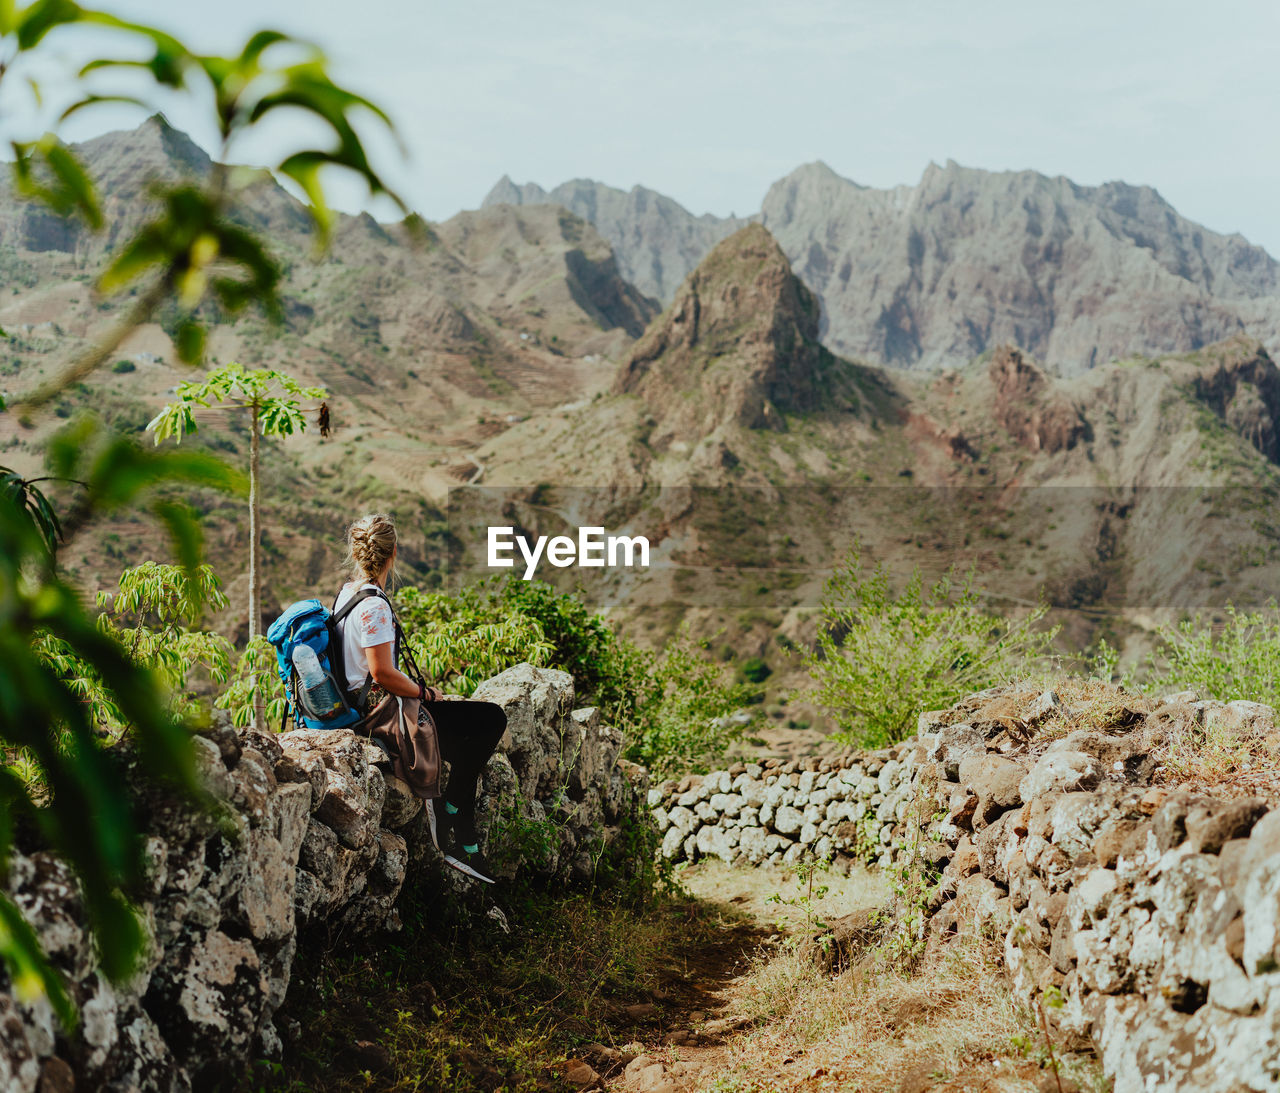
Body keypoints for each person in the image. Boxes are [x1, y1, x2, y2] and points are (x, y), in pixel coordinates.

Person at [335, 512, 506, 883]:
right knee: (491, 719)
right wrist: (427, 692)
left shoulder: (345, 595)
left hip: (361, 704)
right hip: (381, 712)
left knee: (465, 739)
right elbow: (381, 672)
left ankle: (462, 829)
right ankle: (454, 814)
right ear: (393, 552)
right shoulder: (374, 605)